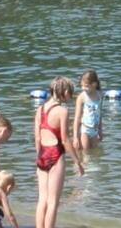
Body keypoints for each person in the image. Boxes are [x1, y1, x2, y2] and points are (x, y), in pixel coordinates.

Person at [33, 77, 84, 228]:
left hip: (41, 154)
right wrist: (77, 162)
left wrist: (39, 157)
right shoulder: (62, 111)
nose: (71, 97)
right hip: (55, 154)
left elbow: (37, 137)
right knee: (53, 201)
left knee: (42, 199)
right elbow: (65, 140)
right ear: (65, 92)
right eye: (71, 93)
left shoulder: (39, 110)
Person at [70, 70, 103, 151]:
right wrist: (75, 137)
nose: (83, 88)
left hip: (95, 129)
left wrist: (100, 130)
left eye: (86, 86)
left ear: (94, 84)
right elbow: (77, 118)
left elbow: (100, 114)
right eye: (82, 86)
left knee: (94, 154)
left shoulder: (100, 95)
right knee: (86, 153)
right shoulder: (82, 97)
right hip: (85, 129)